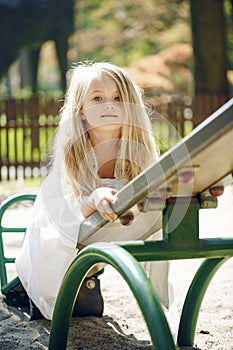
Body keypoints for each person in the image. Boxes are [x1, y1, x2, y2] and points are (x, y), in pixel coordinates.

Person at [16, 61, 177, 336]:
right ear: (80, 109)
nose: (109, 105)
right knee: (52, 256)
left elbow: (153, 193)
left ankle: (155, 297)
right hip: (66, 224)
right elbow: (70, 212)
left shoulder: (138, 150)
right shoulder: (74, 149)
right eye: (98, 98)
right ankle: (43, 289)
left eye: (118, 98)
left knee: (161, 223)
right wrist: (95, 196)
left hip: (110, 226)